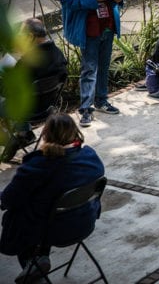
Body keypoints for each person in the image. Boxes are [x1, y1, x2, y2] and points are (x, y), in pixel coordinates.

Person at [0, 113, 105, 283]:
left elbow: (9, 199)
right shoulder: (90, 157)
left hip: (50, 230)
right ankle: (40, 257)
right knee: (46, 207)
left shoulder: (38, 165)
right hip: (84, 222)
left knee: (17, 215)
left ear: (46, 134)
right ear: (75, 132)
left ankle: (31, 264)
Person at [60, 0, 122, 127]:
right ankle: (86, 109)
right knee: (89, 69)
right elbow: (67, 1)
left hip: (107, 26)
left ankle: (101, 100)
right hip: (88, 28)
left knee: (104, 65)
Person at [0, 18, 68, 162]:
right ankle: (25, 133)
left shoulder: (27, 62)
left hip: (26, 110)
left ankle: (9, 140)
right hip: (48, 107)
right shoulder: (57, 54)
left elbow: (6, 91)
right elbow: (63, 77)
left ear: (30, 37)